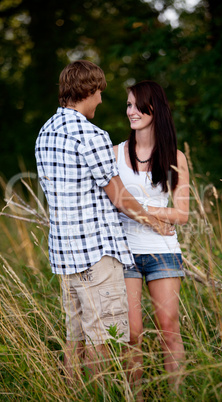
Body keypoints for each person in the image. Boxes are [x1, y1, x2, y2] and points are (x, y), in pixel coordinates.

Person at [35, 61, 174, 382]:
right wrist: (154, 222)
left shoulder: (45, 132)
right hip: (97, 256)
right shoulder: (90, 133)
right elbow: (119, 197)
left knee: (75, 339)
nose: (100, 100)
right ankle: (102, 394)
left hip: (65, 256)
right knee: (106, 341)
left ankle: (73, 393)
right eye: (99, 93)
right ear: (88, 91)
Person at [113, 80, 189, 396]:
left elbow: (182, 214)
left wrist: (145, 208)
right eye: (128, 105)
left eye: (136, 105)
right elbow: (111, 199)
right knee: (132, 334)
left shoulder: (175, 156)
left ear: (153, 109)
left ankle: (178, 395)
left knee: (169, 330)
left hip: (163, 252)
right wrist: (155, 212)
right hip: (124, 251)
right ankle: (136, 395)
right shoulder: (115, 153)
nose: (130, 111)